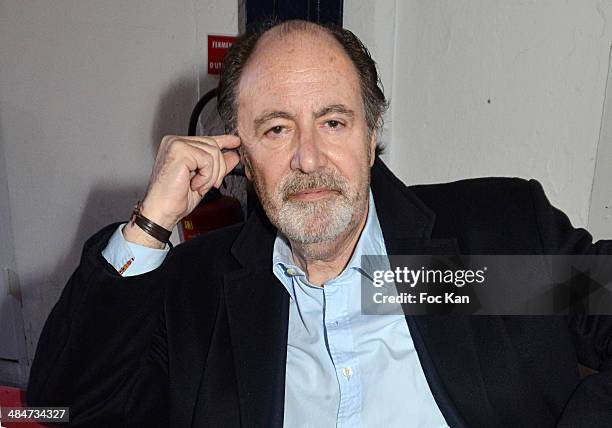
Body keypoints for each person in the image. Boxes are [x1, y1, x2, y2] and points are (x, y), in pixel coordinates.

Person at [27, 19, 611, 427]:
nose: (308, 158)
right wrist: (150, 225)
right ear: (239, 153)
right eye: (277, 129)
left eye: (333, 122)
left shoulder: (487, 249)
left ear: (372, 132)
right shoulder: (196, 295)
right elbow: (64, 410)